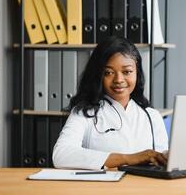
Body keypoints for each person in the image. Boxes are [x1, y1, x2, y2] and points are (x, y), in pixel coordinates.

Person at [53, 36, 168, 170]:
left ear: (137, 73)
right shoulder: (84, 113)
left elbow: (161, 162)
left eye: (127, 72)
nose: (118, 79)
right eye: (108, 72)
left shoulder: (152, 116)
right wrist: (129, 159)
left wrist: (168, 157)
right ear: (98, 75)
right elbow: (61, 155)